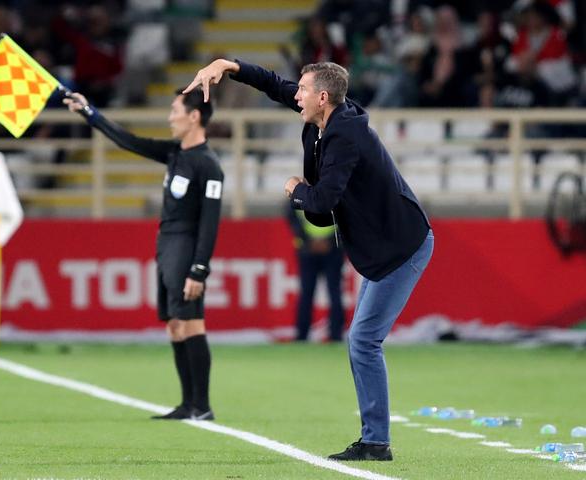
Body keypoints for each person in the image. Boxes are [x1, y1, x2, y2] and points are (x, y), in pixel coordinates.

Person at [183, 59, 433, 460]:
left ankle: (376, 442)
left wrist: (295, 189)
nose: (294, 94)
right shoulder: (323, 120)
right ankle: (374, 437)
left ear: (322, 96)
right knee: (362, 341)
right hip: (379, 246)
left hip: (402, 246)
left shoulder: (345, 137)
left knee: (364, 341)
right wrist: (229, 66)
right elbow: (273, 84)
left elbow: (322, 201)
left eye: (302, 90)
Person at [63, 87, 223, 421]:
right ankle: (187, 403)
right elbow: (128, 141)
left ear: (194, 116)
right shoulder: (176, 153)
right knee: (174, 325)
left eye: (174, 110)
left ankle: (203, 405)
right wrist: (89, 112)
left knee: (192, 323)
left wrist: (198, 270)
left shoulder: (208, 166)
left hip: (185, 247)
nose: (169, 117)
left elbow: (210, 223)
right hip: (166, 244)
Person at [287, 205, 345, 342]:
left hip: (315, 249)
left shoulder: (300, 190)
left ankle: (303, 335)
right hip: (326, 249)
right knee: (332, 291)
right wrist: (329, 241)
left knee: (310, 292)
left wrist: (309, 240)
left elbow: (292, 217)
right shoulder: (335, 189)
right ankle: (335, 335)